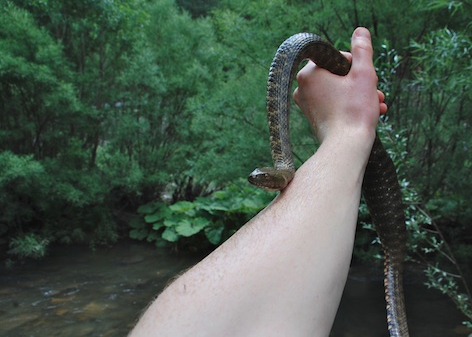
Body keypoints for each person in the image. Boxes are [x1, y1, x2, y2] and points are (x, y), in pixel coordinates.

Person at [130, 27, 387, 337]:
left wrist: (351, 127)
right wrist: (353, 127)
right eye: (261, 180)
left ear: (275, 179)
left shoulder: (284, 168)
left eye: (264, 179)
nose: (258, 181)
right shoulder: (283, 167)